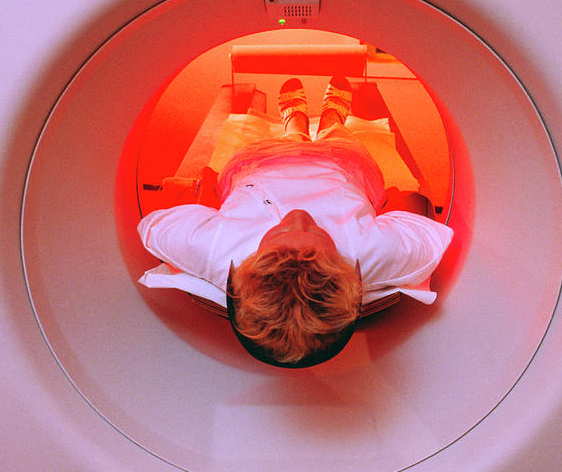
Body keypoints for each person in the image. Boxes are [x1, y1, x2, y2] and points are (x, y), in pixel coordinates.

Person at [137, 76, 453, 367]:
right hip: (339, 163)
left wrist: (212, 259)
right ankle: (332, 117)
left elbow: (152, 229)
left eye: (280, 232)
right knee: (339, 136)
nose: (299, 217)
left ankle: (294, 123)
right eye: (319, 233)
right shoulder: (371, 253)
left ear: (249, 262)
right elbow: (425, 230)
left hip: (260, 164)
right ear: (348, 271)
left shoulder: (219, 252)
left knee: (284, 139)